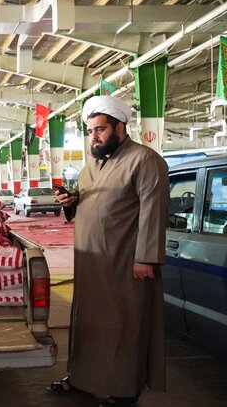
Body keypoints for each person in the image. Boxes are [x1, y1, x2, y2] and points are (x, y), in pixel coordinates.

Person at [48, 95, 169, 407]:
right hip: (91, 264)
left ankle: (123, 389)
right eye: (90, 131)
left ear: (119, 127)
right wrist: (73, 202)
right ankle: (82, 379)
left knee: (123, 326)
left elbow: (153, 212)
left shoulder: (144, 160)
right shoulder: (94, 163)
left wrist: (145, 258)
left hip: (124, 264)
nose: (95, 136)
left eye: (100, 129)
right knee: (89, 325)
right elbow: (95, 201)